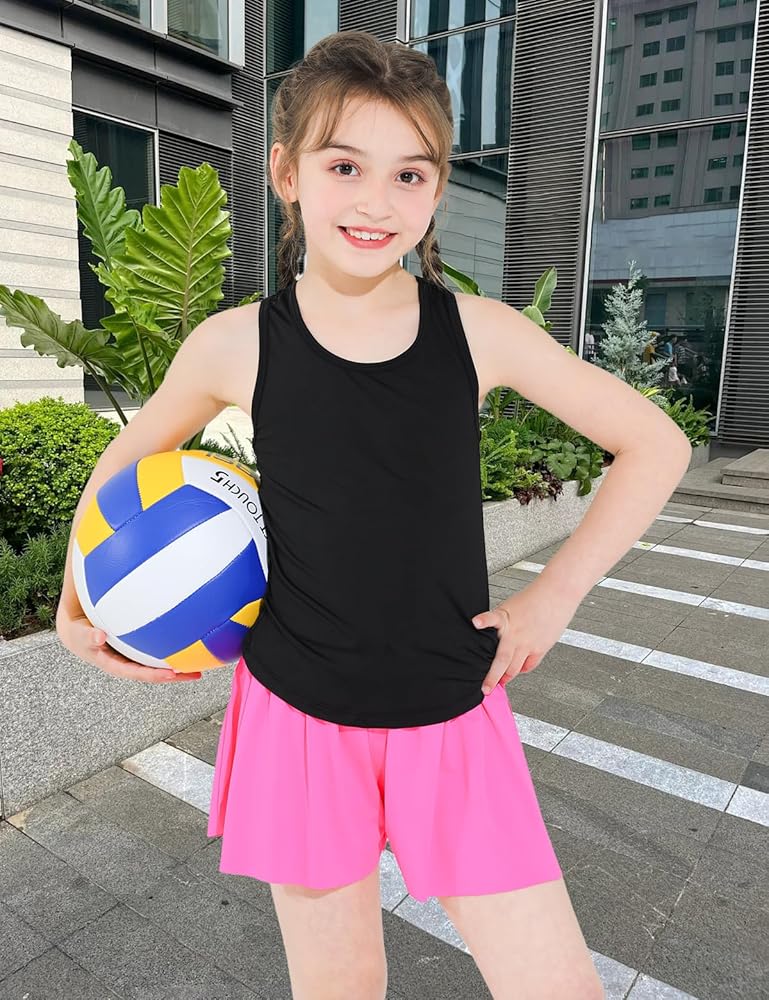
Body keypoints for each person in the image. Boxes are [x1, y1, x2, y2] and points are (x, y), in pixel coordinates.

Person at [56, 30, 692, 1000]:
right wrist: (77, 599)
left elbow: (656, 444)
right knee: (340, 985)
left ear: (436, 190)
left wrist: (553, 598)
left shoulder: (477, 333)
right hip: (297, 716)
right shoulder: (234, 345)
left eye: (409, 174)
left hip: (452, 709)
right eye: (345, 165)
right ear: (287, 172)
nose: (375, 201)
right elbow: (124, 461)